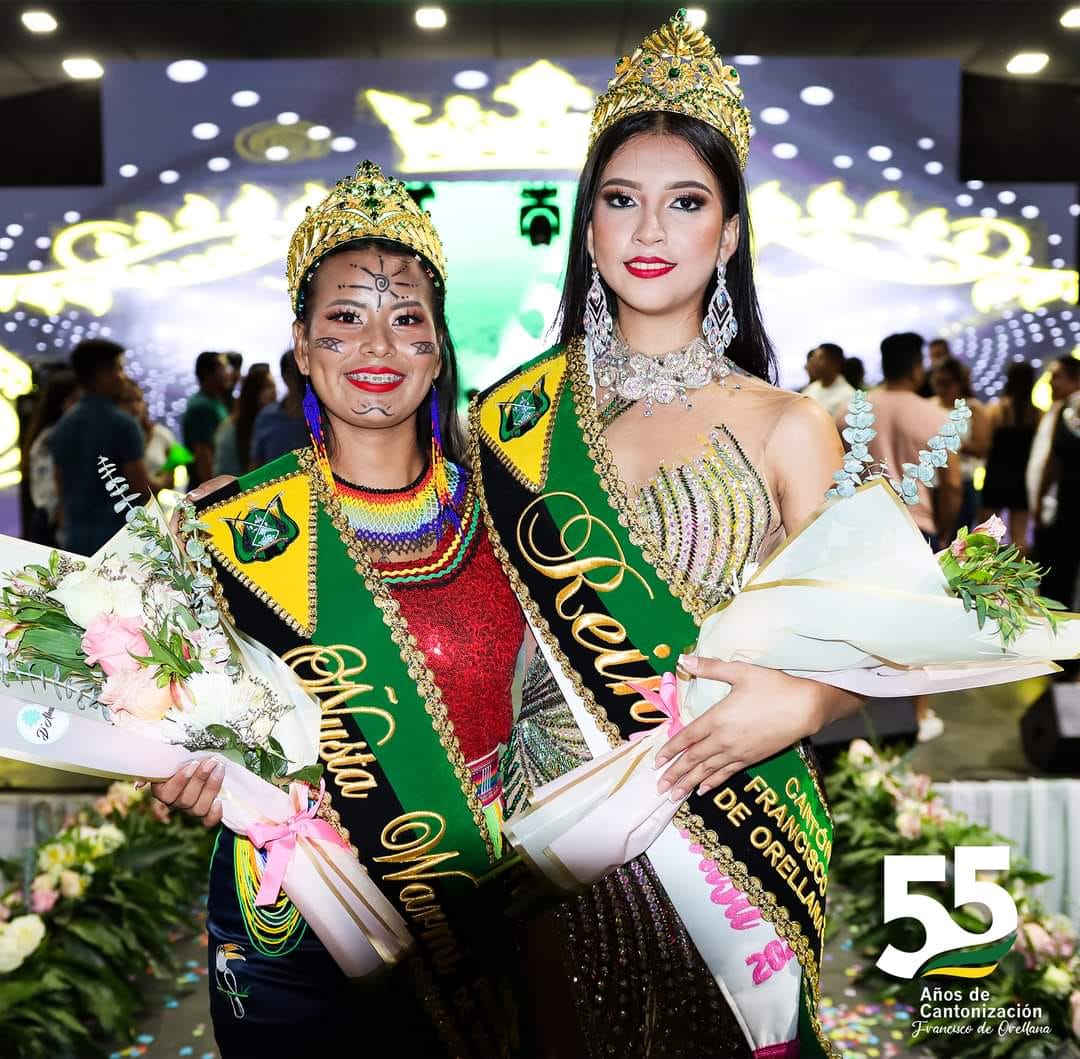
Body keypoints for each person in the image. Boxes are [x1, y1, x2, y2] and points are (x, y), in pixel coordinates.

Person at [474, 13, 862, 1057]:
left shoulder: (790, 425)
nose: (650, 233)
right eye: (621, 202)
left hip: (731, 824)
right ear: (589, 229)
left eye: (685, 203)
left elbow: (871, 628)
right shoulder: (514, 421)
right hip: (549, 826)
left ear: (728, 235)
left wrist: (803, 701)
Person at [150, 162, 524, 1057]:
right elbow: (166, 725)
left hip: (475, 911)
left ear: (439, 347)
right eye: (345, 321)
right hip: (289, 927)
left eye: (407, 322)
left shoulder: (510, 520)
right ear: (304, 345)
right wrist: (175, 777)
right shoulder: (227, 524)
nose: (377, 350)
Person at [843, 333, 961, 549]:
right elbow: (952, 485)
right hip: (916, 528)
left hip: (861, 529)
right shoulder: (936, 417)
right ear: (917, 367)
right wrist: (943, 531)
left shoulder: (849, 411)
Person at [50, 339, 152, 556]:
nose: (122, 376)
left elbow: (59, 483)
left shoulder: (64, 425)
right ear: (103, 374)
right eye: (119, 368)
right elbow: (141, 489)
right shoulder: (124, 424)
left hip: (75, 538)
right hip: (119, 538)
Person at [980, 360, 1040, 550]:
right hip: (1022, 479)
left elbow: (984, 444)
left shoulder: (996, 410)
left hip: (996, 476)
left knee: (987, 535)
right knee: (1020, 537)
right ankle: (1019, 578)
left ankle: (985, 577)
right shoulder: (1037, 414)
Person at [931, 356, 990, 537]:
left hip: (963, 482)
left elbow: (982, 448)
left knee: (956, 542)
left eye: (947, 383)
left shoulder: (973, 408)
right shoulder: (929, 405)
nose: (942, 389)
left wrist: (951, 442)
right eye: (938, 383)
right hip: (931, 483)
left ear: (959, 383)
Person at [22, 369, 79, 546]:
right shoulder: (53, 437)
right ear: (62, 402)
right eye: (76, 399)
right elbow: (51, 490)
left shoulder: (51, 434)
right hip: (52, 522)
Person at [1027, 355, 1080, 527]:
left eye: (1056, 376)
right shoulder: (1056, 410)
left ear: (1076, 379)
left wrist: (1040, 499)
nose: (1050, 382)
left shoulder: (1069, 410)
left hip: (1066, 505)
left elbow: (1053, 459)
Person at [213, 362, 275, 476]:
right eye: (268, 386)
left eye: (273, 386)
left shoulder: (274, 425)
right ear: (253, 393)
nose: (274, 392)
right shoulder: (230, 431)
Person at [250, 352, 309, 466]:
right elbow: (256, 465)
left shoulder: (326, 416)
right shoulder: (267, 417)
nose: (306, 378)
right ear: (286, 376)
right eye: (300, 372)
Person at [182, 351, 231, 488]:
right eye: (223, 368)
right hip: (207, 489)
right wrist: (215, 493)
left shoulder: (216, 401)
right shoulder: (201, 406)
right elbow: (203, 454)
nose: (228, 374)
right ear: (207, 373)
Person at [803, 341, 854, 417]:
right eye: (813, 358)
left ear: (835, 363)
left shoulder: (848, 396)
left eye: (820, 358)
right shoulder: (810, 389)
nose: (814, 362)